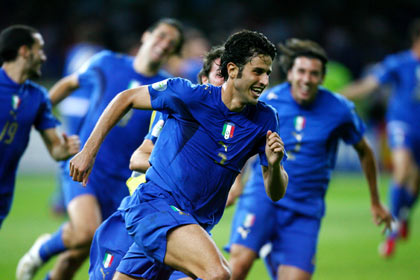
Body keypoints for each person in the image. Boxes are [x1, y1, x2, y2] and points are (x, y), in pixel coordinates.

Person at [69, 29, 288, 280]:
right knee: (218, 274)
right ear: (233, 69)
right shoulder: (189, 95)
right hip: (155, 207)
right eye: (258, 71)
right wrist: (88, 152)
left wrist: (275, 165)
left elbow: (276, 193)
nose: (264, 81)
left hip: (192, 224)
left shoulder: (266, 118)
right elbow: (125, 98)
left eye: (268, 74)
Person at [16, 18, 184, 280]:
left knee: (79, 252)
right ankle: (41, 250)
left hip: (123, 183)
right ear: (146, 35)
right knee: (85, 232)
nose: (164, 45)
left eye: (171, 43)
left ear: (173, 52)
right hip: (86, 166)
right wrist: (35, 117)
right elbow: (69, 84)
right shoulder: (107, 63)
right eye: (161, 36)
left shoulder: (167, 88)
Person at [225, 38, 392, 280]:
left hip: (305, 208)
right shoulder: (267, 101)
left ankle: (275, 249)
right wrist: (237, 181)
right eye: (301, 71)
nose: (306, 78)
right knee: (237, 269)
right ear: (290, 73)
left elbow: (365, 151)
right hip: (262, 198)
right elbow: (245, 142)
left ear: (322, 78)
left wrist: (376, 201)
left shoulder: (340, 109)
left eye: (314, 73)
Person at [90, 45, 225, 280]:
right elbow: (138, 158)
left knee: (215, 274)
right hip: (143, 213)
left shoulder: (236, 131)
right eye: (219, 74)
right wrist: (182, 175)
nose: (225, 83)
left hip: (186, 225)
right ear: (204, 79)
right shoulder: (178, 109)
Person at [340, 19, 420, 258]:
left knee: (415, 183)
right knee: (402, 169)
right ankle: (392, 232)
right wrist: (339, 97)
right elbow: (369, 84)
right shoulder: (400, 62)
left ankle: (404, 215)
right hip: (402, 124)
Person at [0, 24, 80, 229]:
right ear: (24, 51)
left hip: (3, 192)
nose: (44, 57)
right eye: (40, 49)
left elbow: (55, 148)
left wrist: (65, 149)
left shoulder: (38, 97)